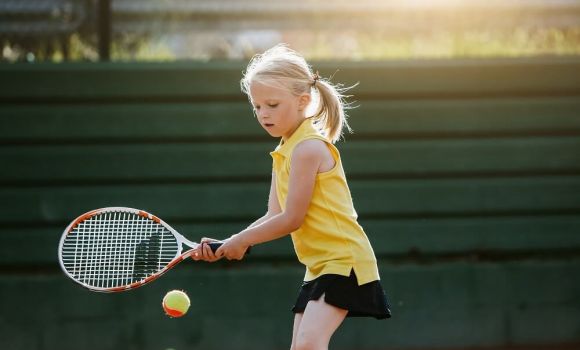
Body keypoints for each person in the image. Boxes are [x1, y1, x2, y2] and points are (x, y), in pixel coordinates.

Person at [192, 44, 391, 350]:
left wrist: (241, 241)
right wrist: (229, 242)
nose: (263, 114)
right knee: (301, 348)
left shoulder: (308, 148)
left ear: (303, 101)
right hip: (319, 265)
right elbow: (274, 213)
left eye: (272, 104)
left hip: (344, 261)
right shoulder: (283, 151)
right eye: (257, 106)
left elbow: (291, 219)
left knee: (309, 344)